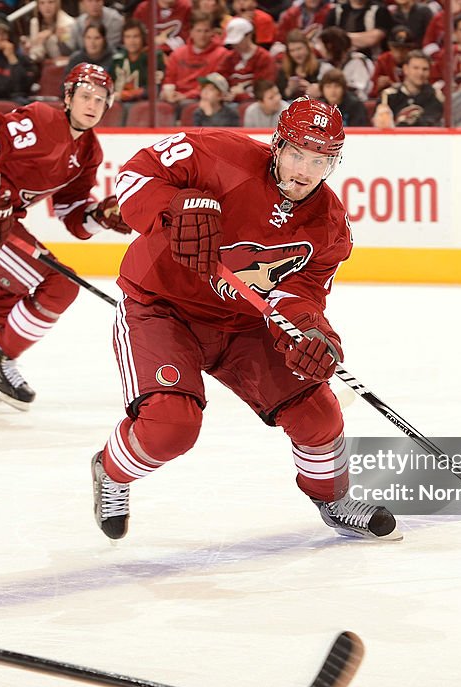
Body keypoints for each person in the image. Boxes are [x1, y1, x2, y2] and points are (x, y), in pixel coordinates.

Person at [92, 97, 401, 543]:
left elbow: (303, 292)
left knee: (317, 412)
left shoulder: (330, 226)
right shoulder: (218, 154)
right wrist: (176, 203)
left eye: (320, 160)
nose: (304, 170)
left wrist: (312, 333)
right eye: (297, 154)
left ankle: (333, 499)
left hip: (244, 325)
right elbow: (134, 175)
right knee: (170, 427)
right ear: (277, 145)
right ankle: (111, 471)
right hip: (163, 306)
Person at [0, 63, 131, 410]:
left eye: (100, 99)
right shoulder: (43, 120)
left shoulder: (88, 152)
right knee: (60, 285)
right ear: (67, 97)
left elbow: (75, 218)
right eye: (85, 95)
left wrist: (102, 218)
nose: (92, 105)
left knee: (4, 301)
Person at [374, 50, 444, 127]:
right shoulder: (389, 95)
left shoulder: (435, 96)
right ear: (405, 69)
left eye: (425, 69)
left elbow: (431, 123)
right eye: (416, 68)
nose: (420, 73)